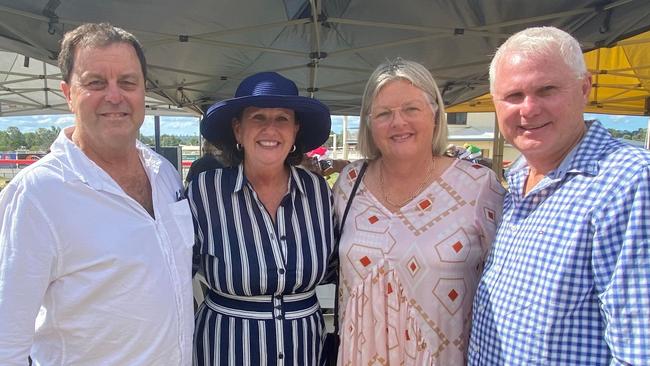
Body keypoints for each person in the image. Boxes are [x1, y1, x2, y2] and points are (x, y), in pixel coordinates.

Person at [0, 23, 195, 365]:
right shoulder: (37, 194)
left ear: (143, 92)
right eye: (95, 83)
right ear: (67, 92)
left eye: (128, 82)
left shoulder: (164, 174)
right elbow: (6, 340)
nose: (114, 96)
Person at [469, 27, 650, 365]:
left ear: (584, 88)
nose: (529, 108)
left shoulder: (629, 180)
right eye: (513, 95)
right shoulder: (516, 182)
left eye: (546, 89)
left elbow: (638, 350)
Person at [333, 59, 504, 365]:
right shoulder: (349, 183)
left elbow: (506, 286)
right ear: (369, 124)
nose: (398, 122)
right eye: (384, 113)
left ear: (435, 114)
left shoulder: (478, 186)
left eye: (411, 109)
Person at [187, 71, 335, 365]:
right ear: (238, 130)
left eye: (282, 118)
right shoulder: (205, 191)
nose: (271, 129)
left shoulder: (318, 192)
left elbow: (342, 269)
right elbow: (175, 275)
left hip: (304, 352)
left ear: (295, 130)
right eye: (258, 117)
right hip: (226, 351)